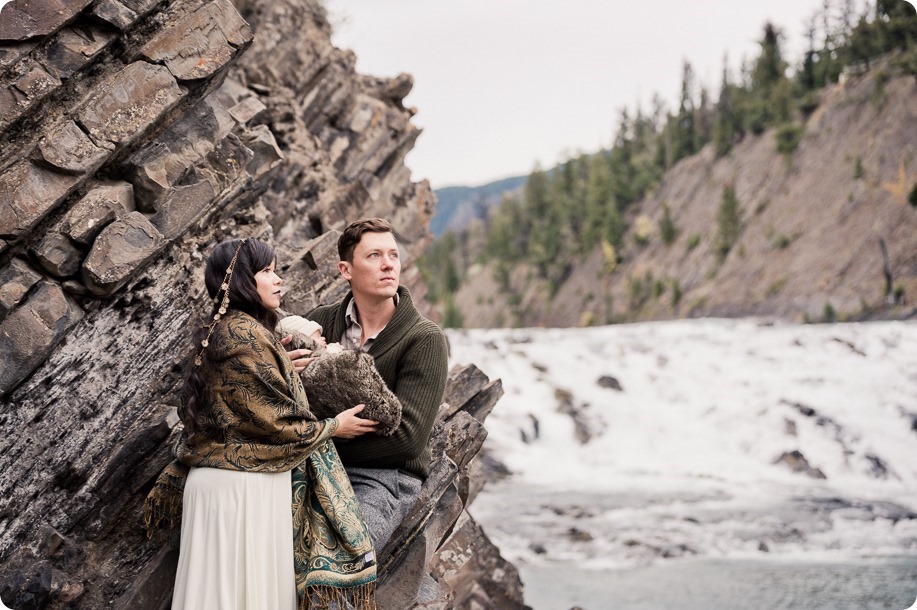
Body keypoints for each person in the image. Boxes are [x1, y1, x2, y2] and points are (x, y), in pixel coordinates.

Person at [144, 237, 378, 610]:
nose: (278, 279)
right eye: (267, 271)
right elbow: (276, 424)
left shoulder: (223, 330)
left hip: (223, 483)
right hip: (242, 487)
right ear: (240, 280)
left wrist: (281, 368)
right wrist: (335, 426)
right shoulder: (248, 335)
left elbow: (235, 404)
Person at [292, 218, 450, 553]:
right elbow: (282, 403)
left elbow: (408, 440)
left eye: (393, 254)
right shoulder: (320, 322)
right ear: (345, 270)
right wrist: (284, 370)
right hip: (312, 463)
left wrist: (324, 435)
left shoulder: (424, 339)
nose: (389, 264)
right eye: (374, 256)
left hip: (383, 477)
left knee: (339, 563)